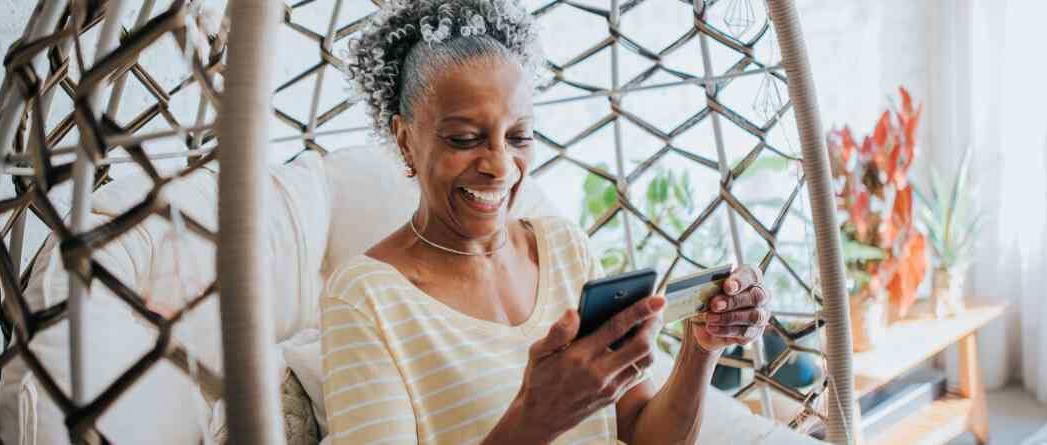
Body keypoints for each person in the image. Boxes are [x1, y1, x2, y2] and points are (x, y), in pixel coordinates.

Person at [320, 1, 772, 443]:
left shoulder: (563, 248)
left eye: (519, 137)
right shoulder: (365, 298)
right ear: (405, 140)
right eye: (464, 139)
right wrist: (536, 420)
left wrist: (701, 348)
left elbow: (642, 432)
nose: (501, 166)